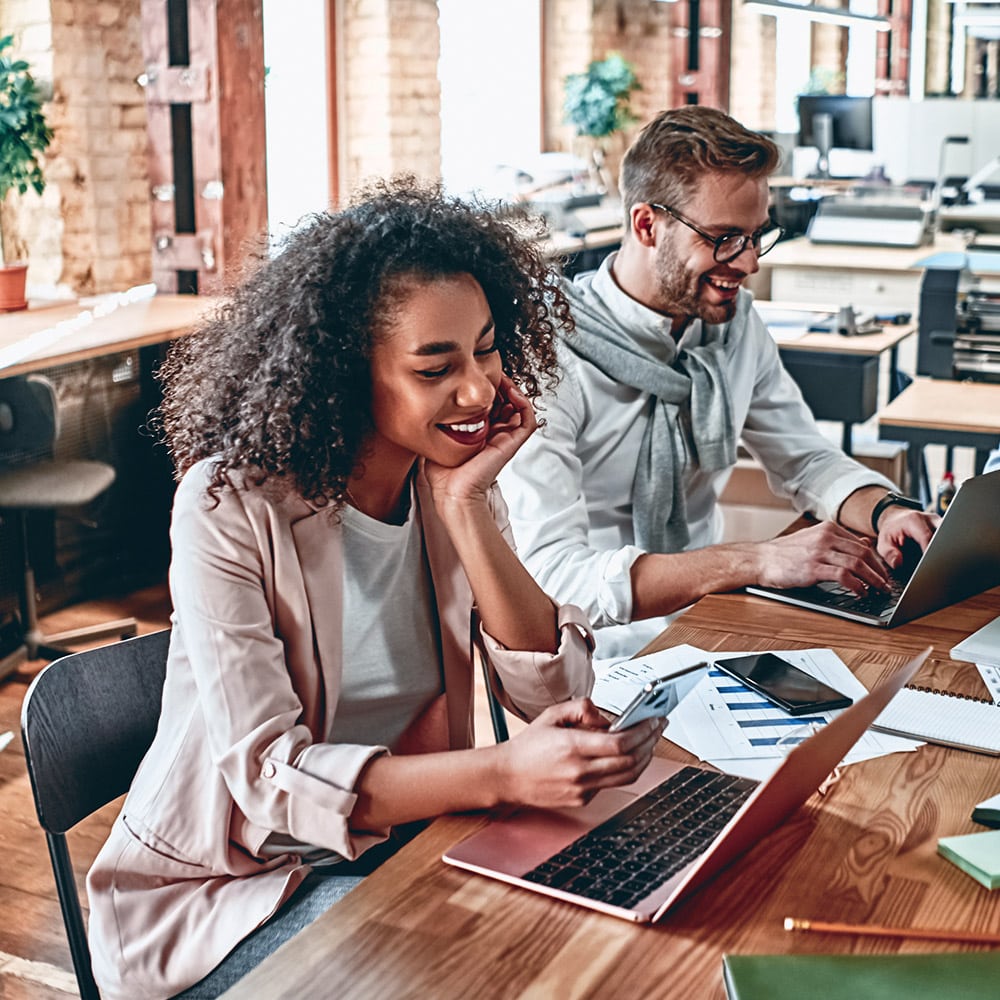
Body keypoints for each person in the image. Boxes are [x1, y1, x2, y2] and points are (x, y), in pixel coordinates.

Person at [85, 178, 664, 1000]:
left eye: (488, 349)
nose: (479, 390)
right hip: (232, 893)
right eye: (437, 367)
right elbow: (269, 776)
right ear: (346, 372)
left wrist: (465, 507)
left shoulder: (448, 476)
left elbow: (555, 687)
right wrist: (500, 773)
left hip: (392, 847)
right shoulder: (228, 506)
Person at [499, 107, 938, 661]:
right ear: (645, 226)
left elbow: (804, 459)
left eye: (757, 236)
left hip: (721, 615)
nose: (749, 263)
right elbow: (552, 575)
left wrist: (887, 512)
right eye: (726, 238)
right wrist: (753, 560)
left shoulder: (733, 324)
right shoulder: (546, 354)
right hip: (597, 646)